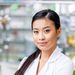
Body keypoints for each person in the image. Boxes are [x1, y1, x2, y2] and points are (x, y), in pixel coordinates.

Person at [15, 9, 73, 75]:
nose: (41, 37)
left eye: (47, 31)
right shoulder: (25, 61)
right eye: (36, 32)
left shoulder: (64, 63)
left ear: (58, 32)